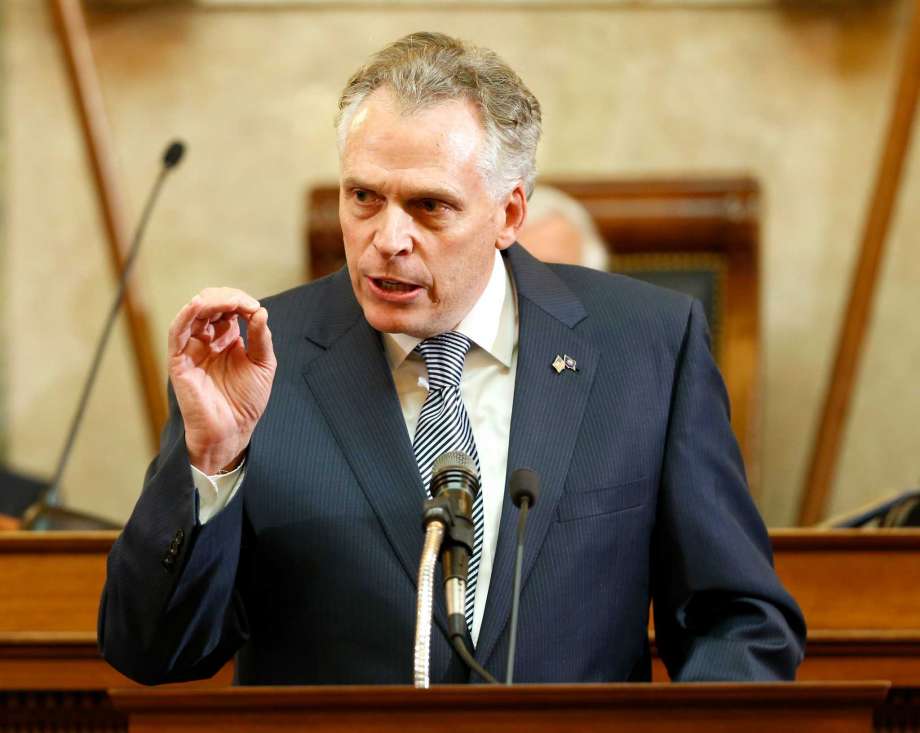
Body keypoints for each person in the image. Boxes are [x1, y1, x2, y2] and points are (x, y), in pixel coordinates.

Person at [98, 31, 805, 686]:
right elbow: (152, 650)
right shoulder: (255, 360)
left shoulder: (645, 345)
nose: (387, 238)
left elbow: (740, 620)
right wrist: (212, 462)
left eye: (429, 206)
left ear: (508, 214)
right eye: (363, 197)